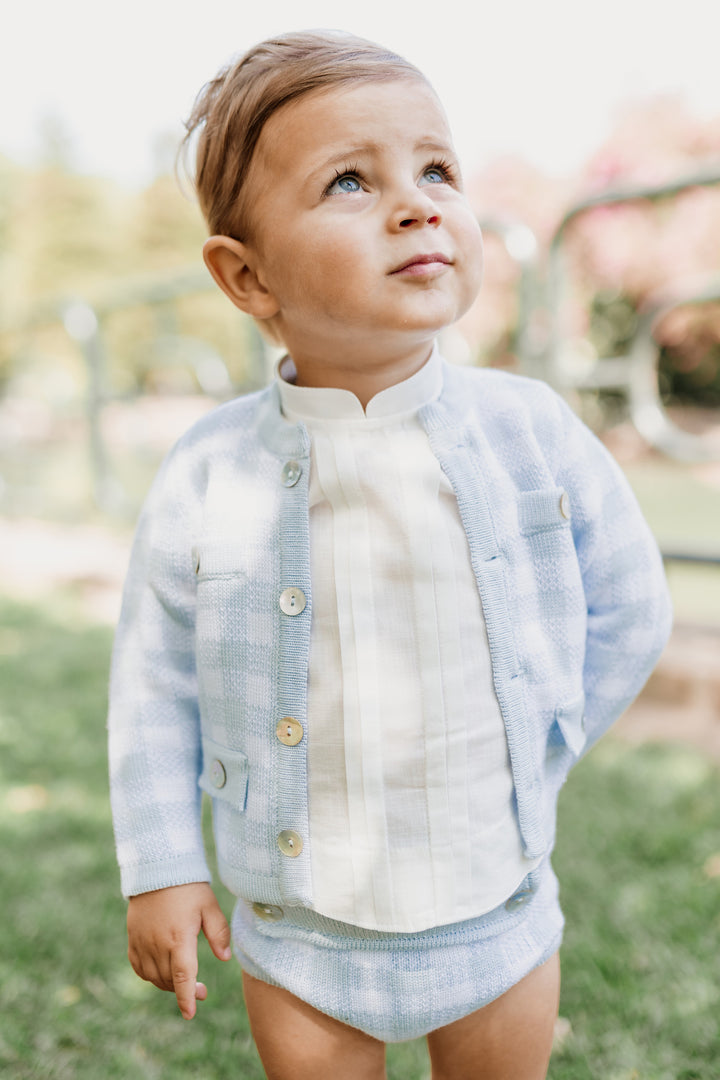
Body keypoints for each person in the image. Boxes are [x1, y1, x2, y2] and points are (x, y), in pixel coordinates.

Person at [108, 30, 672, 1080]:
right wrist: (162, 866)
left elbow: (631, 608)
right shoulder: (208, 471)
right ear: (247, 276)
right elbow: (152, 683)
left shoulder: (529, 430)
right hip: (301, 930)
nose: (416, 203)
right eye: (351, 181)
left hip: (495, 911)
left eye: (437, 169)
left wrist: (537, 743)